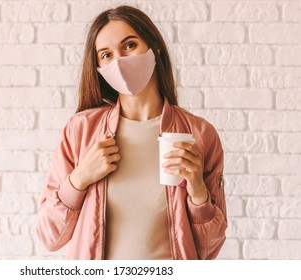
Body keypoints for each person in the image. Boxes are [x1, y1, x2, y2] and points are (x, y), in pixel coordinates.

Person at [36, 5, 227, 260]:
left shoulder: (200, 135)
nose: (119, 61)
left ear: (154, 47)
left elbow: (208, 250)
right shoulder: (80, 131)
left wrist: (199, 193)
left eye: (129, 46)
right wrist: (79, 179)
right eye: (106, 55)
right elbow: (50, 237)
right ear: (98, 68)